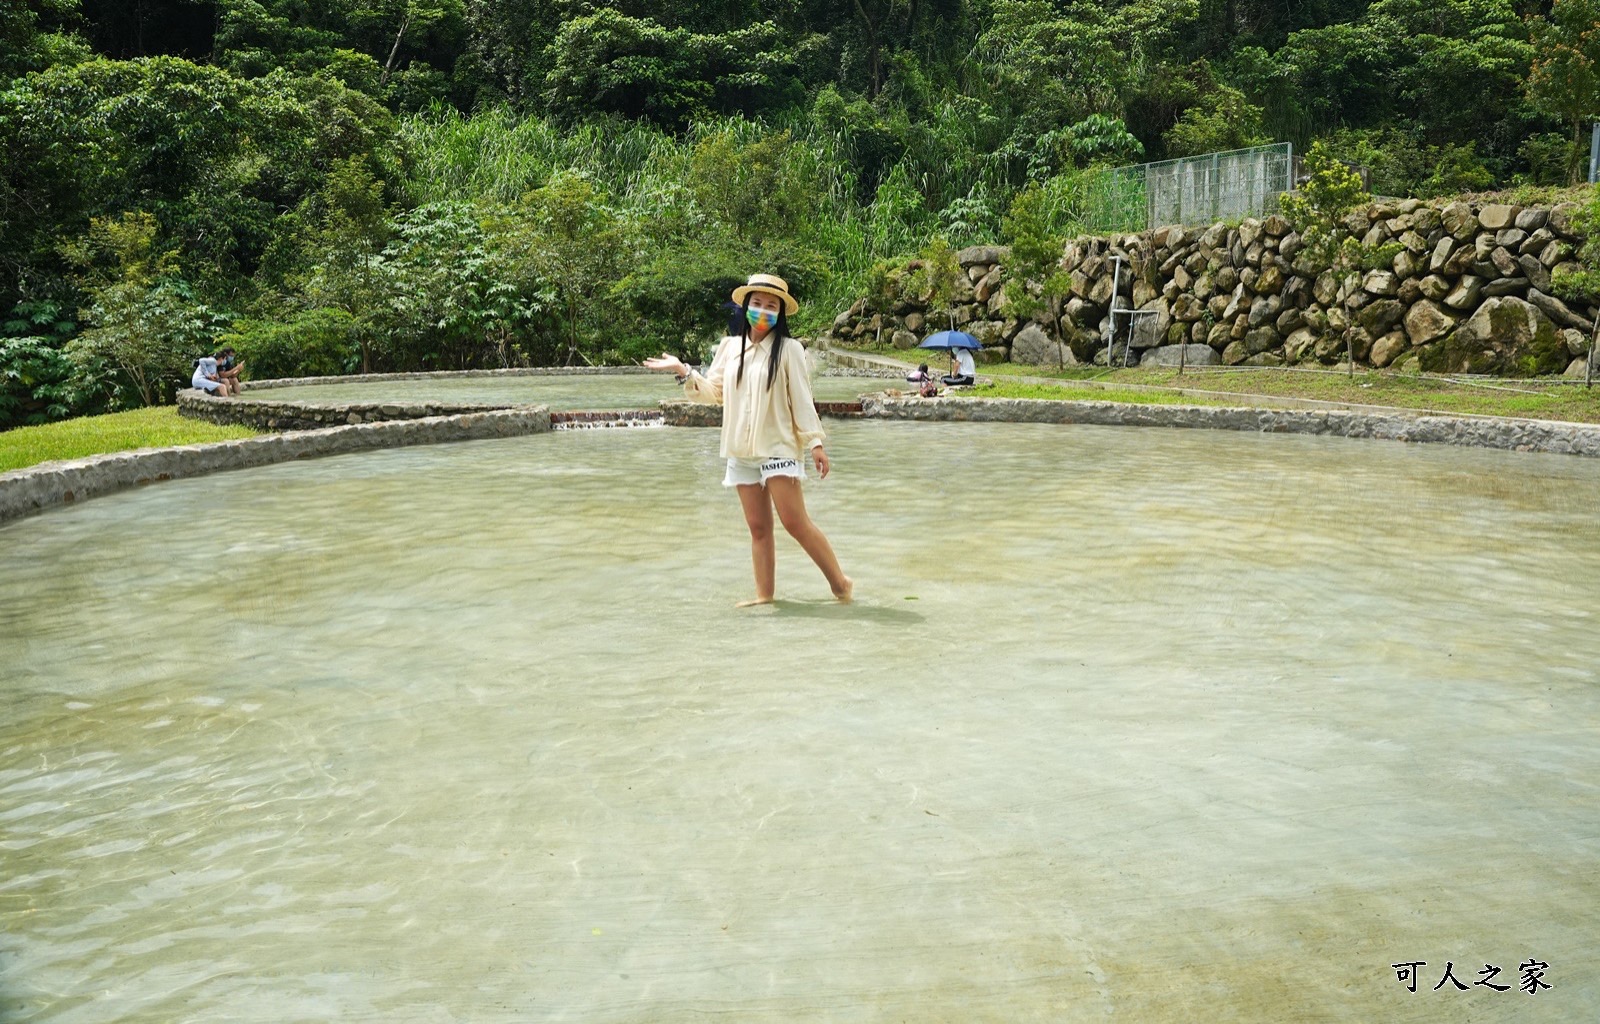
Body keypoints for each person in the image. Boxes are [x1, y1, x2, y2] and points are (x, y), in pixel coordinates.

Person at [645, 273, 852, 606]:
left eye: (771, 306)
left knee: (795, 522)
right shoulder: (730, 348)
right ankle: (764, 596)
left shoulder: (789, 350)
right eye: (757, 303)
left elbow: (801, 398)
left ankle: (840, 584)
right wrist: (684, 371)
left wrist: (815, 443)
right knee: (758, 527)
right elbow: (714, 394)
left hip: (778, 447)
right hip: (741, 450)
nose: (763, 310)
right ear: (746, 307)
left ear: (780, 313)